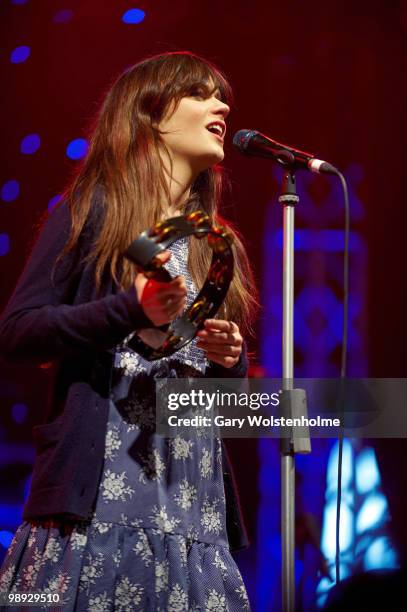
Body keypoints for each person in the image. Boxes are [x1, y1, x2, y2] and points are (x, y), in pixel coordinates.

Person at [0, 51, 258, 611]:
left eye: (221, 95)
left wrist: (229, 361)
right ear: (150, 113)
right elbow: (18, 330)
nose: (223, 105)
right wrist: (127, 310)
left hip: (192, 503)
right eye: (201, 93)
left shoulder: (218, 247)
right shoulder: (93, 212)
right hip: (101, 496)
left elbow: (226, 405)